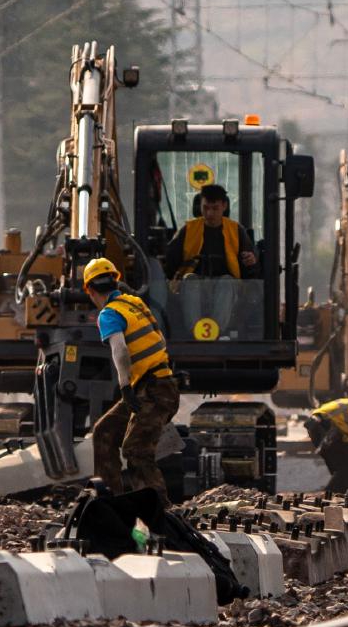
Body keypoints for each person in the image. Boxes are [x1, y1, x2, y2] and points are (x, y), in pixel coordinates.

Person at [82, 257, 180, 500]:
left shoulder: (108, 314)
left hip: (154, 390)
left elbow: (120, 350)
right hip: (155, 387)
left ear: (90, 291)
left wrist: (125, 386)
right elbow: (159, 340)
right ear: (115, 281)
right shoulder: (135, 303)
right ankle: (109, 501)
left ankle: (159, 511)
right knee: (104, 431)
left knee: (135, 450)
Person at [163, 183, 260, 279]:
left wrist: (251, 259)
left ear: (224, 206)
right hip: (194, 281)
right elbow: (171, 259)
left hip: (227, 282)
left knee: (226, 280)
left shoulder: (236, 230)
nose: (209, 213)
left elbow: (251, 258)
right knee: (190, 279)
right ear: (200, 205)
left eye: (215, 208)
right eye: (205, 208)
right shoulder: (187, 229)